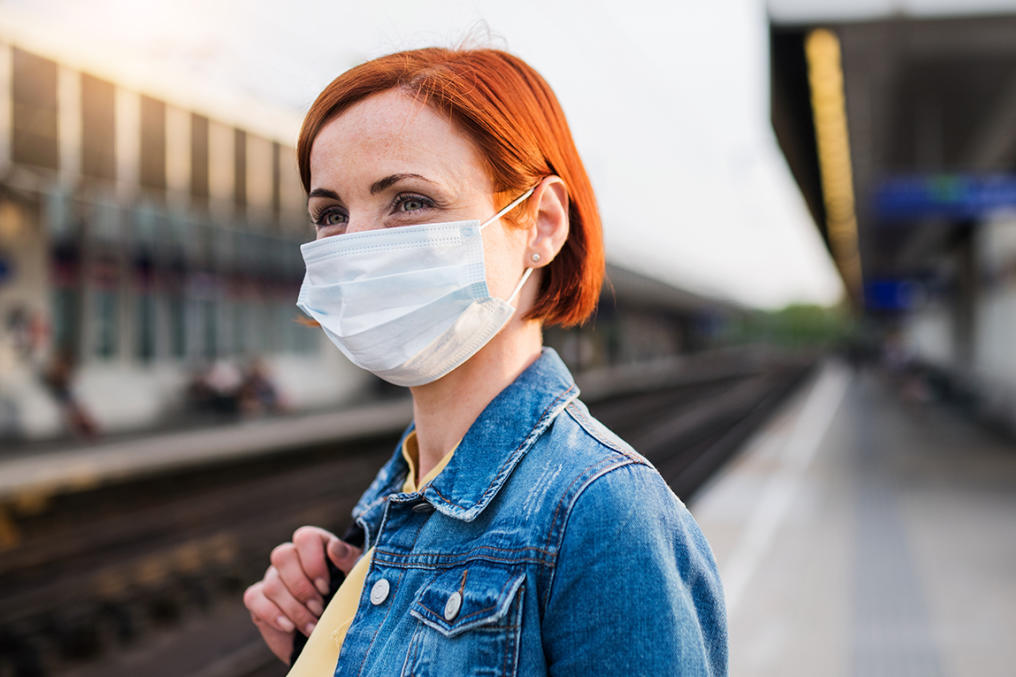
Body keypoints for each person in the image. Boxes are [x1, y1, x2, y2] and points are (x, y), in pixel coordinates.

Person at [242, 47, 727, 675]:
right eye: (331, 214)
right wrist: (323, 648)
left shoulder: (607, 516)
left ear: (541, 223)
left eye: (409, 201)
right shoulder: (399, 496)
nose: (355, 246)